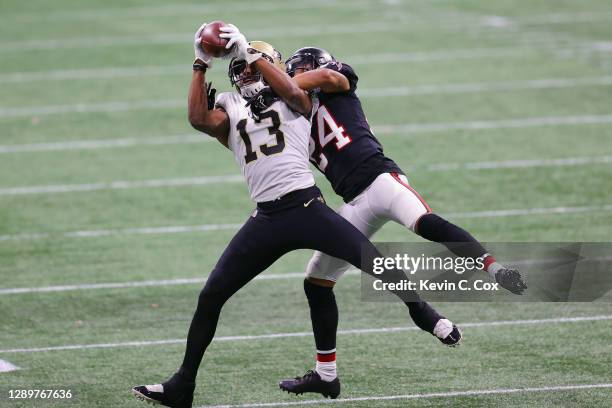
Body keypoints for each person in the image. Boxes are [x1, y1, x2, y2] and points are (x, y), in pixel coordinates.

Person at [131, 24, 452, 407]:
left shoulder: (294, 97)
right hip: (266, 218)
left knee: (372, 259)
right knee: (211, 295)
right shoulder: (231, 107)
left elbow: (295, 92)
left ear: (271, 66)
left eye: (255, 66)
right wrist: (200, 64)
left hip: (306, 206)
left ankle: (423, 313)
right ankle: (183, 384)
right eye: (243, 69)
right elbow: (199, 119)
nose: (247, 73)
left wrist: (250, 55)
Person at [278, 47, 527, 396]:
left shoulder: (338, 79)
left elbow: (330, 78)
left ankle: (496, 269)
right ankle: (328, 374)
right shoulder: (293, 112)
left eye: (299, 71)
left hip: (381, 179)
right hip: (352, 202)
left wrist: (281, 83)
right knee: (316, 280)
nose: (294, 78)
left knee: (424, 222)